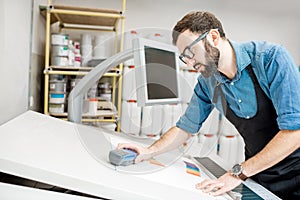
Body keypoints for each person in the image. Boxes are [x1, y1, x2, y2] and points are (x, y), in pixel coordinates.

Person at [118, 11, 300, 199]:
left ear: (213, 37)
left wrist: (238, 173)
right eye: (184, 57)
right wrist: (149, 151)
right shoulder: (208, 82)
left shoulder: (269, 59)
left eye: (190, 52)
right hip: (258, 173)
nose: (189, 63)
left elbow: (295, 132)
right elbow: (186, 128)